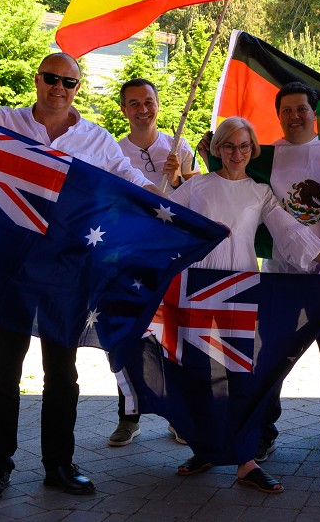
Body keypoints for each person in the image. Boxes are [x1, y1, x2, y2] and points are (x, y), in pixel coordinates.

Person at [0, 53, 160, 503]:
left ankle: (59, 464)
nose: (59, 88)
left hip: (67, 271)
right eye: (52, 79)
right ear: (38, 80)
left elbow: (129, 178)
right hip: (11, 267)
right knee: (2, 370)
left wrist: (165, 199)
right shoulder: (3, 122)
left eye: (68, 82)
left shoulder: (95, 140)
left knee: (61, 372)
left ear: (78, 87)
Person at [171, 117, 320, 494]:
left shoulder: (259, 192)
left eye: (244, 146)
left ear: (252, 150)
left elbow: (292, 232)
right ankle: (206, 449)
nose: (236, 154)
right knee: (200, 374)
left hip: (240, 290)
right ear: (216, 149)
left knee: (240, 377)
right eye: (228, 146)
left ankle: (246, 462)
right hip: (199, 287)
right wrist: (169, 180)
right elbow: (162, 215)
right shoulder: (197, 186)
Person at [252, 81, 320, 464]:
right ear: (278, 115)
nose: (295, 116)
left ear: (314, 114)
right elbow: (231, 170)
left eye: (302, 109)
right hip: (282, 274)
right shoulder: (264, 156)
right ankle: (263, 432)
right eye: (287, 110)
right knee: (272, 355)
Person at [108, 77, 198, 448]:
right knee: (128, 335)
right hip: (128, 258)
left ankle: (176, 415)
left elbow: (195, 204)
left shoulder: (180, 148)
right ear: (123, 109)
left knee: (171, 336)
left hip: (171, 258)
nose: (142, 109)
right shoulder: (112, 151)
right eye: (134, 103)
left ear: (158, 104)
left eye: (148, 101)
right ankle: (128, 415)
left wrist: (177, 180)